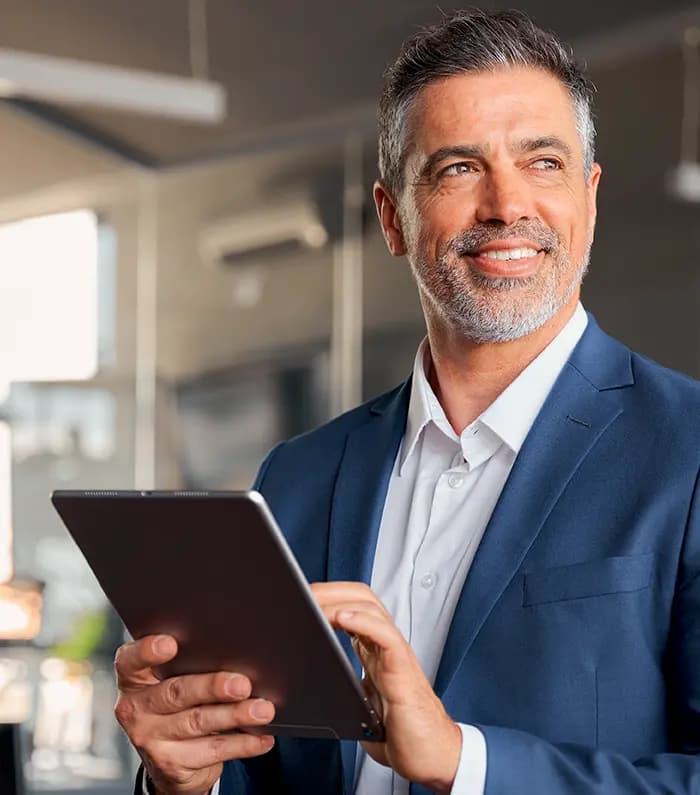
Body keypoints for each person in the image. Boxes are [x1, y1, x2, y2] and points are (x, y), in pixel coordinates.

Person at [116, 9, 700, 794]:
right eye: (459, 167)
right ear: (394, 217)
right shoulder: (298, 477)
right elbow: (262, 768)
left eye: (544, 162)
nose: (505, 204)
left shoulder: (688, 450)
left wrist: (468, 763)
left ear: (589, 199)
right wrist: (186, 779)